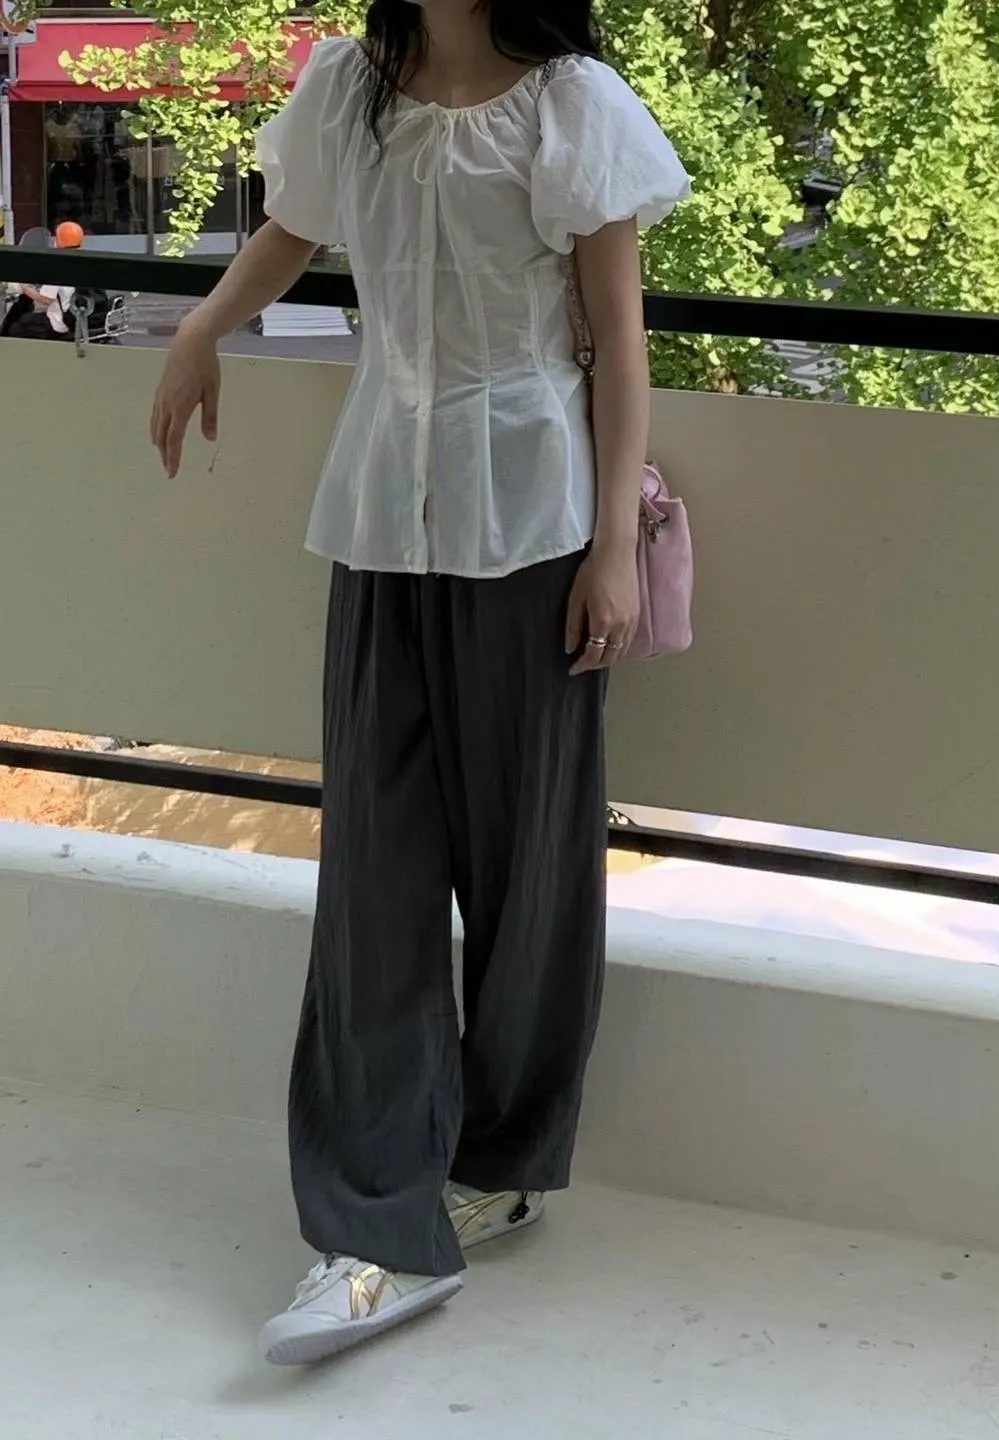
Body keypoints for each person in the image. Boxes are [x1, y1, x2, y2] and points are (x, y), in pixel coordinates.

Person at [150, 0, 690, 1367]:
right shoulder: (349, 88)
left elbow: (619, 339)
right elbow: (293, 229)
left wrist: (613, 551)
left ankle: (501, 1162)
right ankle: (375, 1227)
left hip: (537, 524)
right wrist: (202, 326)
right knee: (376, 870)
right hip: (383, 513)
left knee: (530, 867)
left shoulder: (572, 103)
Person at [2, 221, 85, 340]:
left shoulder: (58, 266)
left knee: (16, 327)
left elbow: (45, 300)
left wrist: (24, 286)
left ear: (58, 241)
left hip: (58, 323)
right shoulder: (81, 261)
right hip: (74, 316)